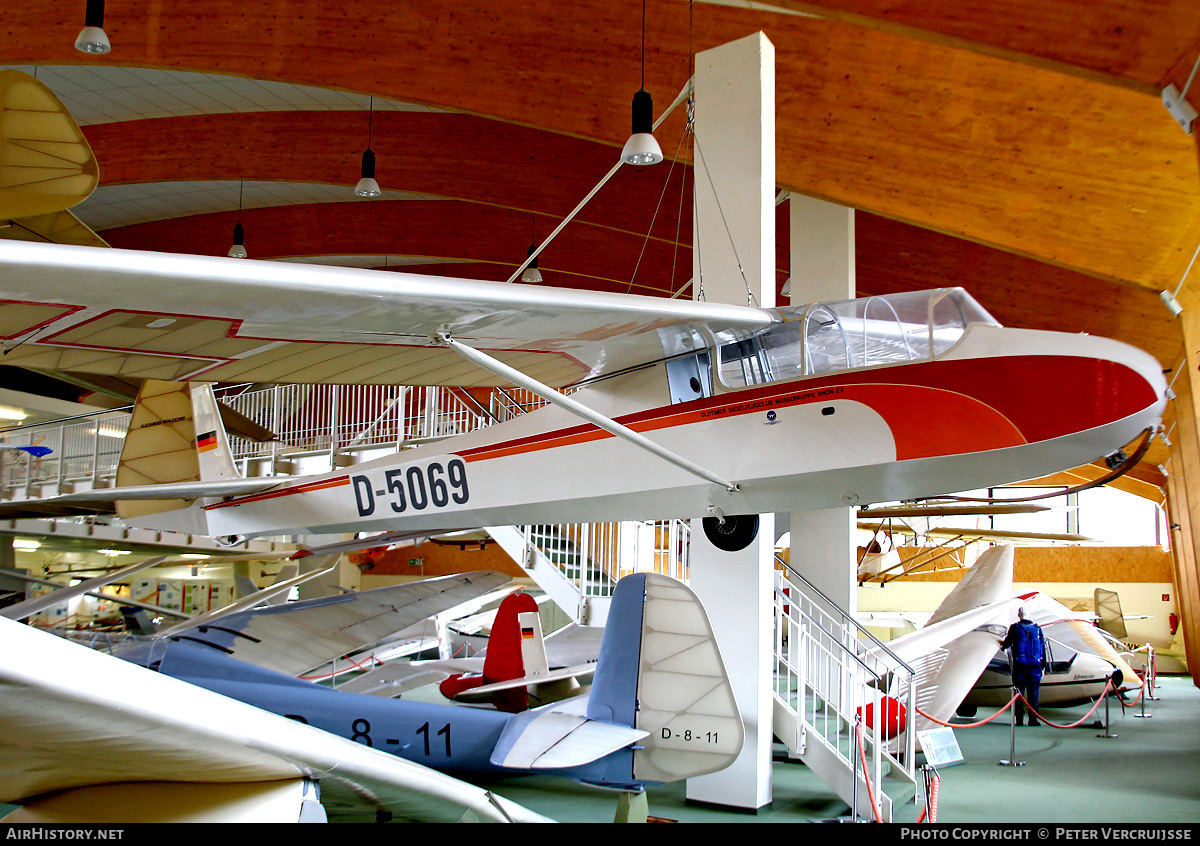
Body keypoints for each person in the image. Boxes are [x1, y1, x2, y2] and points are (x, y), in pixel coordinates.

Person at [1000, 607, 1049, 726]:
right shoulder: (1037, 629)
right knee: (1033, 695)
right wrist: (1043, 667)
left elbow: (1006, 644)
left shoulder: (1015, 628)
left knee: (1018, 694)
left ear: (1018, 615)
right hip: (1035, 667)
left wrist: (1001, 644)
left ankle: (1019, 719)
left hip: (1019, 666)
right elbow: (1042, 649)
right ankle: (1033, 719)